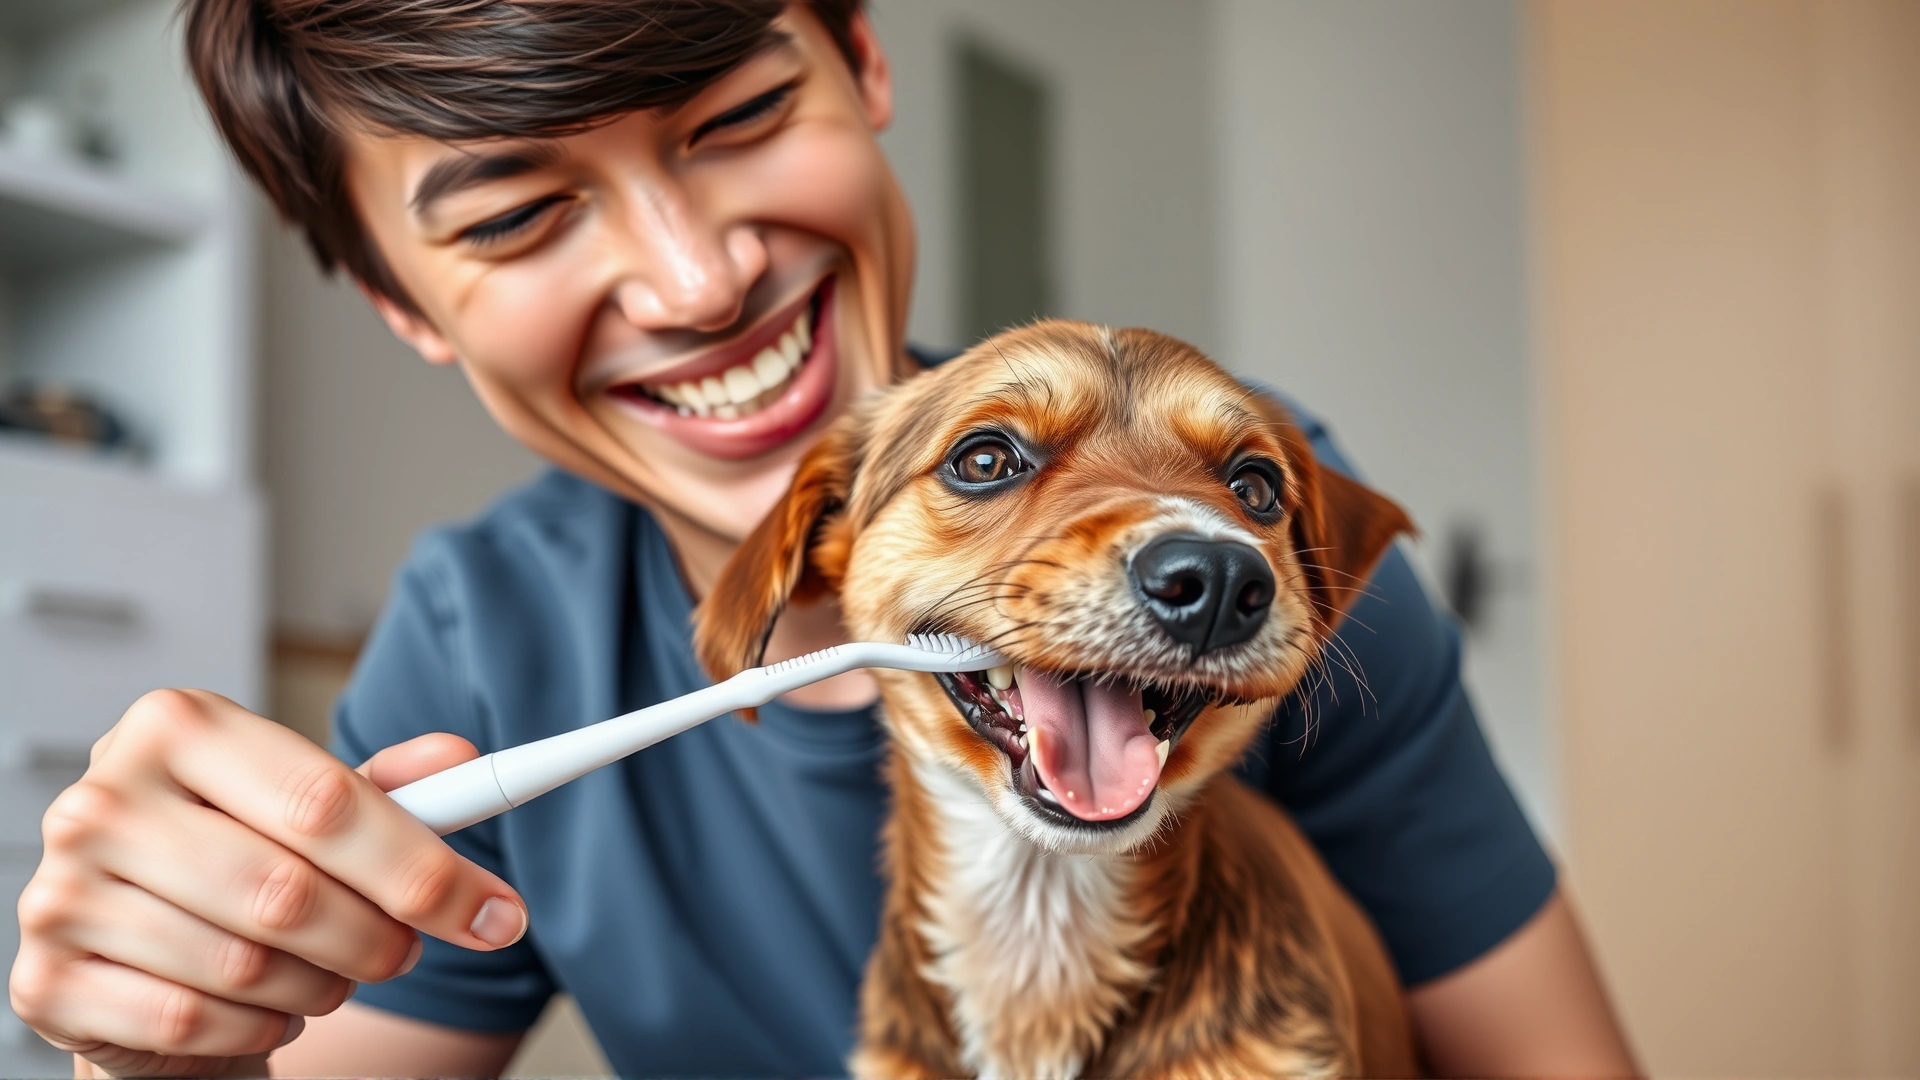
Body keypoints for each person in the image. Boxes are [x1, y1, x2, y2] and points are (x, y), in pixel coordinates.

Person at [7, 2, 1638, 1076]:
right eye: (515, 215)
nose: (697, 281)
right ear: (397, 297)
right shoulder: (485, 645)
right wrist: (165, 1045)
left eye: (732, 115)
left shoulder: (1272, 532)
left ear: (862, 60)